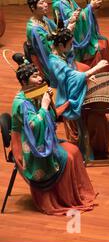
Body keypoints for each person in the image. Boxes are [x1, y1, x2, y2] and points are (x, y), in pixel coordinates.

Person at [9, 54, 96, 215]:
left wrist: (48, 101)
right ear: (24, 82)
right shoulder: (20, 103)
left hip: (40, 137)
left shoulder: (34, 92)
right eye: (35, 77)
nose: (40, 79)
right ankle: (62, 198)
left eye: (38, 75)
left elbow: (51, 115)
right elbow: (33, 126)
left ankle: (76, 195)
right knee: (66, 158)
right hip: (28, 144)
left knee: (75, 151)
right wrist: (44, 105)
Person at [47, 25, 109, 158]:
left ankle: (96, 144)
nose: (72, 47)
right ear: (60, 45)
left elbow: (72, 69)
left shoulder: (62, 53)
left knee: (96, 110)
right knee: (90, 115)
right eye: (70, 44)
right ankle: (82, 149)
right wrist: (92, 70)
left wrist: (86, 76)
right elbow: (70, 77)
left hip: (71, 87)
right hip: (62, 93)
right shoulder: (54, 61)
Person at [48, 0, 109, 72]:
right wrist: (90, 8)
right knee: (99, 47)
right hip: (70, 38)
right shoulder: (58, 4)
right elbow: (74, 19)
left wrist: (91, 9)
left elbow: (79, 13)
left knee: (104, 41)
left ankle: (108, 77)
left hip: (77, 32)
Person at [20, 0, 61, 86]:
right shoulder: (34, 29)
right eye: (41, 3)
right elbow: (46, 51)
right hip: (43, 60)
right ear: (33, 7)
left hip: (51, 52)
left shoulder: (43, 19)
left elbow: (56, 30)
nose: (46, 5)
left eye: (45, 1)